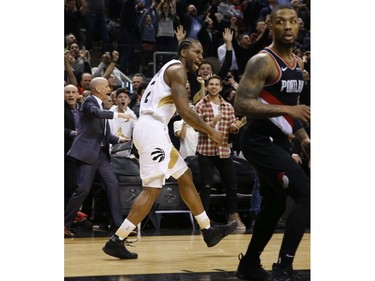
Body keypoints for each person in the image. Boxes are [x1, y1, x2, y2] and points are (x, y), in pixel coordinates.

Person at [102, 38, 238, 259]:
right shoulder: (177, 70)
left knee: (185, 176)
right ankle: (117, 240)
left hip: (156, 130)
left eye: (202, 53)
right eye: (197, 51)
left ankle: (208, 230)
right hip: (152, 130)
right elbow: (184, 112)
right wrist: (210, 131)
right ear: (184, 52)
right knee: (152, 188)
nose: (201, 57)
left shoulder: (170, 70)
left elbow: (178, 107)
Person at [233, 6, 310, 281]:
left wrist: (304, 139)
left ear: (299, 25)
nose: (287, 26)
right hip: (256, 140)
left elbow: (292, 109)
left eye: (292, 21)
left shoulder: (298, 64)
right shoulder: (262, 61)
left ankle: (249, 265)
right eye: (280, 22)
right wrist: (288, 112)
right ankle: (283, 268)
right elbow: (240, 104)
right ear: (270, 26)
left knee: (275, 204)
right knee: (305, 194)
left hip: (277, 141)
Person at [64, 77, 133, 238]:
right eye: (107, 86)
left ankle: (119, 226)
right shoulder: (90, 102)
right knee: (82, 190)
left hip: (101, 155)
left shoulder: (100, 104)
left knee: (113, 186)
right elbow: (98, 114)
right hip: (88, 154)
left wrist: (118, 139)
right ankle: (64, 224)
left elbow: (104, 134)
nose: (110, 89)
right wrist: (118, 115)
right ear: (99, 89)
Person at [194, 75, 246, 231]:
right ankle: (204, 220)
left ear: (221, 87)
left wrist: (235, 126)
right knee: (206, 185)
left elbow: (231, 127)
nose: (214, 87)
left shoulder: (228, 106)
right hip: (205, 150)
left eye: (217, 84)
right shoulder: (200, 105)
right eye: (211, 84)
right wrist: (212, 123)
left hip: (223, 149)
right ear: (207, 86)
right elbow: (196, 126)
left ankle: (233, 214)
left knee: (231, 184)